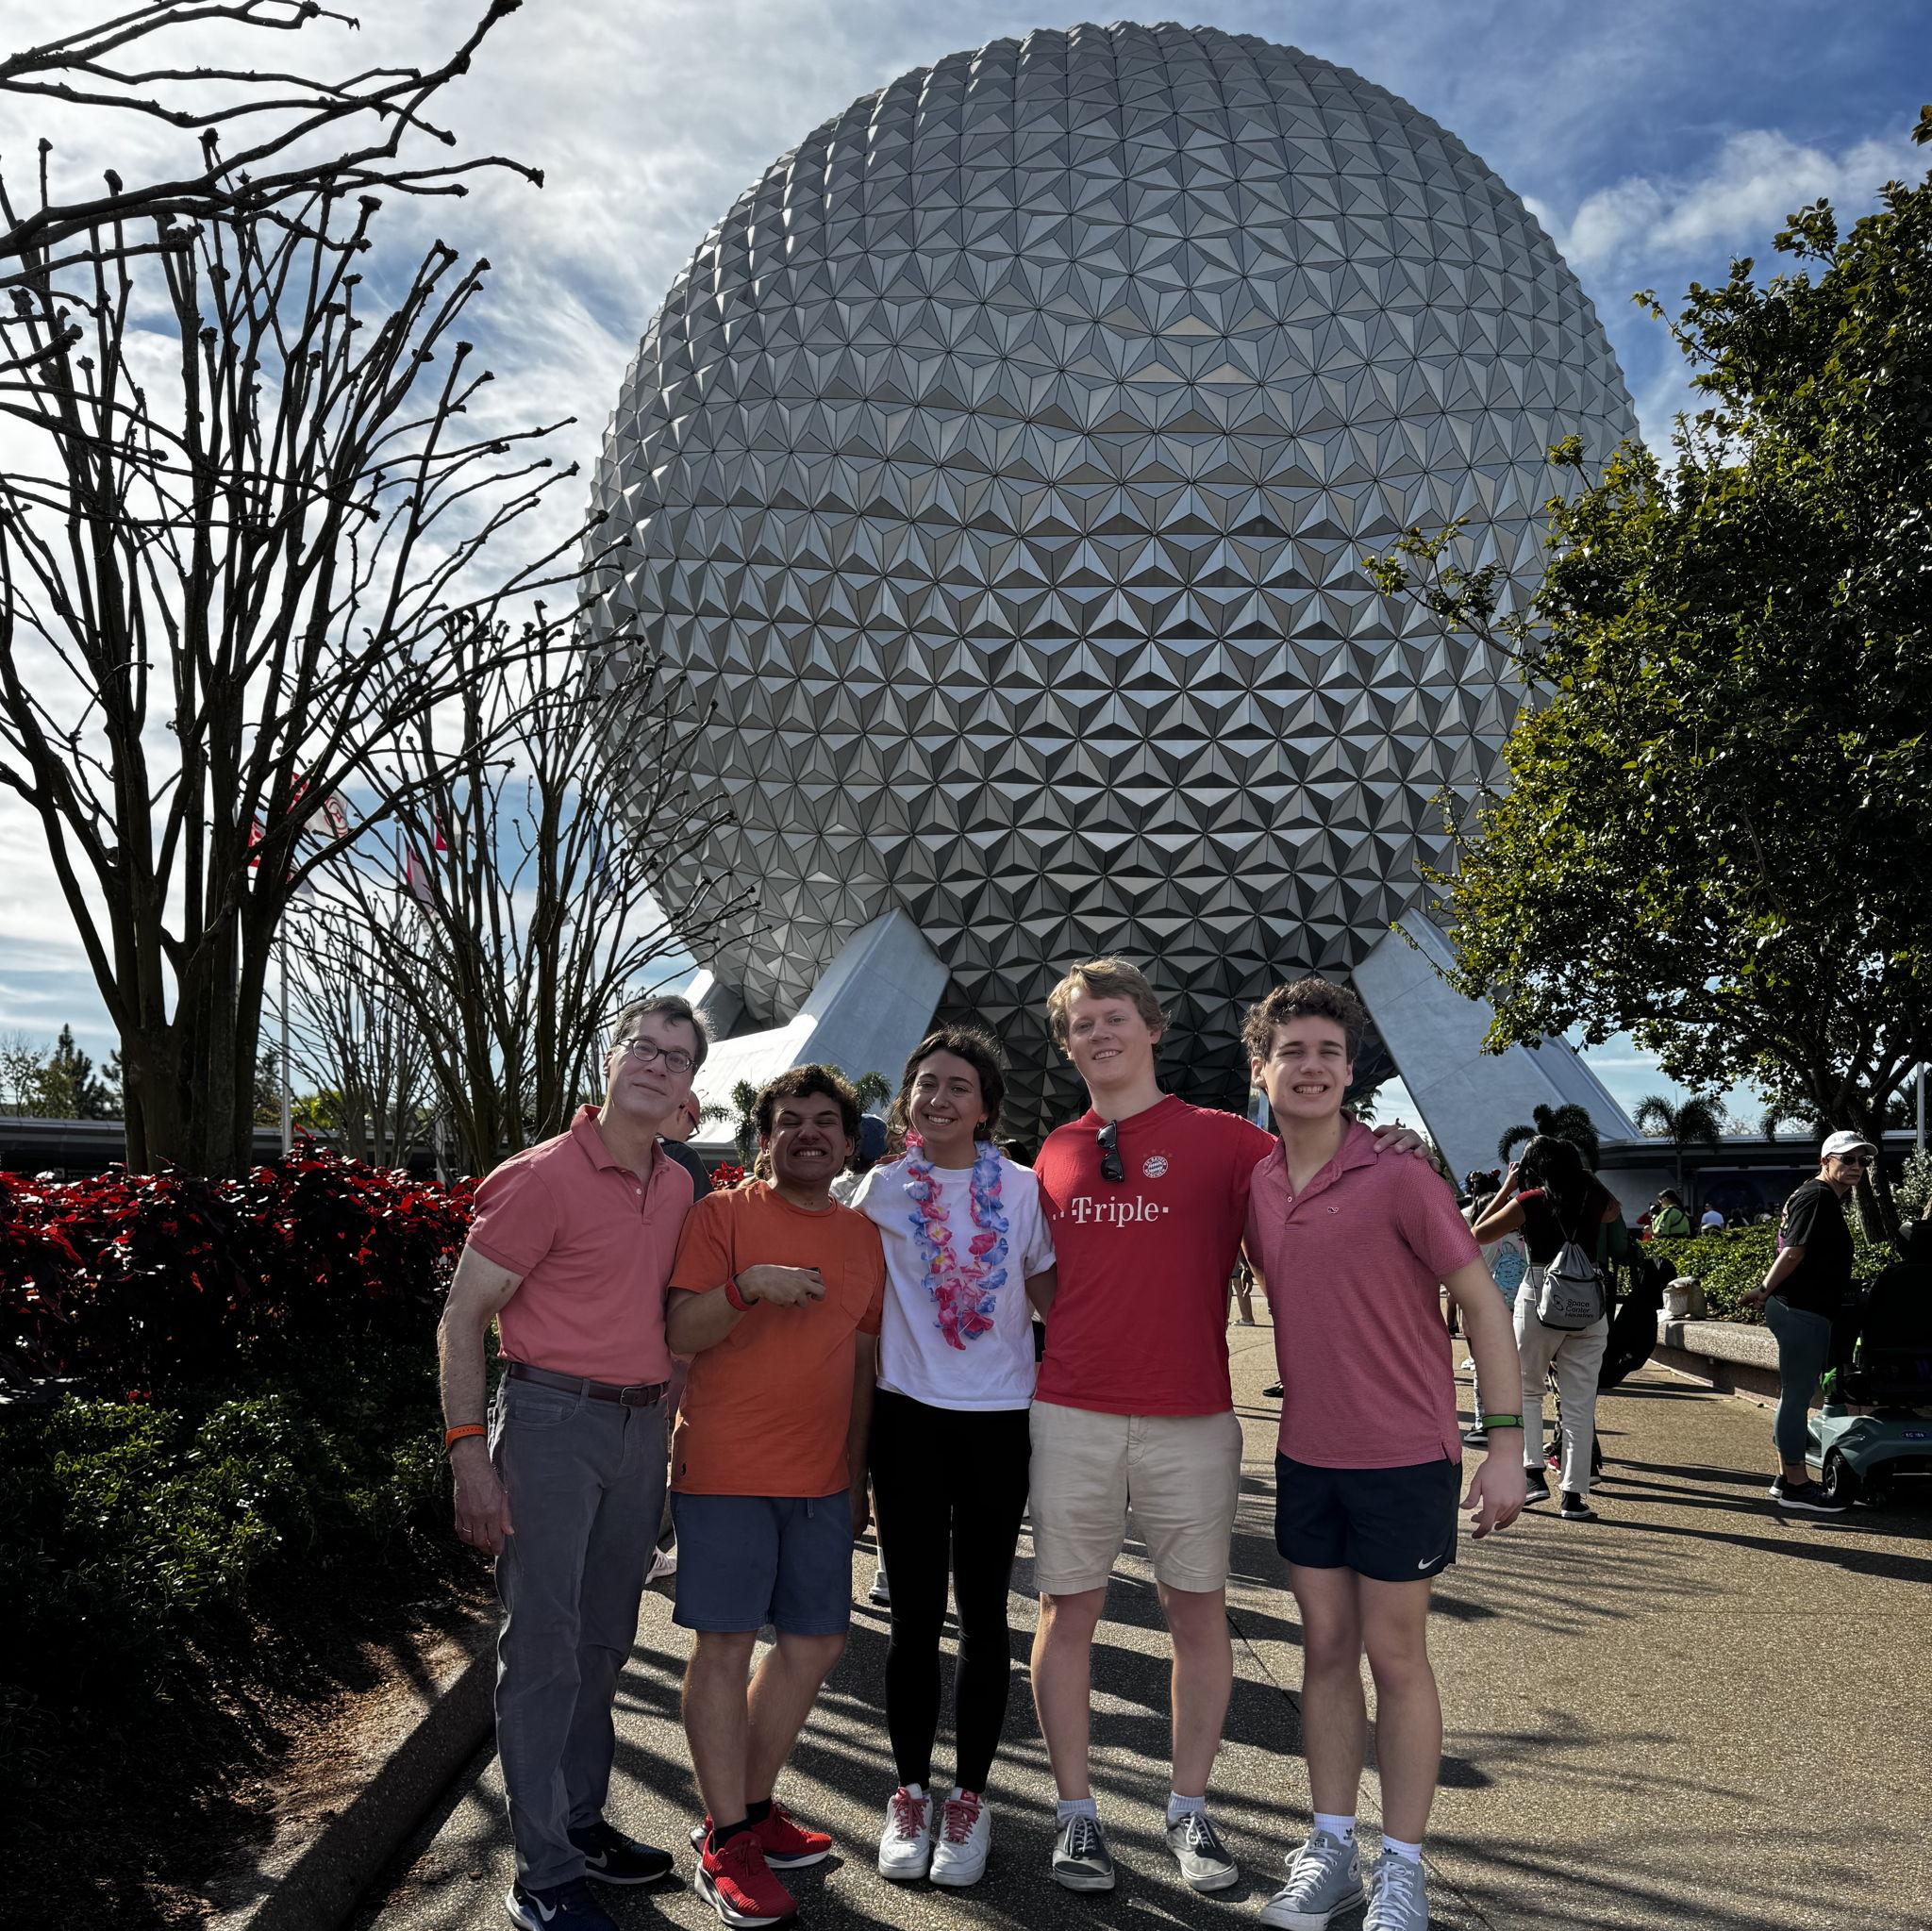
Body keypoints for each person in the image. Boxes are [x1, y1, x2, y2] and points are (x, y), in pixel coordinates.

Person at [1025, 957, 1424, 1897]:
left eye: (1114, 1017)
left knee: (1193, 1609)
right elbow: (1042, 1278)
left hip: (1191, 1416)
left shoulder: (1225, 1145)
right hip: (1071, 1408)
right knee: (1064, 1609)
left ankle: (1188, 1808)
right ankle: (1075, 1814)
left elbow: (1325, 1203)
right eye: (1083, 1025)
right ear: (1068, 1043)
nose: (1100, 1035)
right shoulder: (1052, 1151)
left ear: (1151, 1028)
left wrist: (1393, 1149)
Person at [1243, 979, 1524, 1931]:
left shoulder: (1403, 1175)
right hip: (1306, 1455)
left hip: (1404, 1454)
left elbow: (1482, 1308)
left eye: (1327, 1049)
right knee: (1323, 1648)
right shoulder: (1257, 1182)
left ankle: (1401, 1865)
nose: (1311, 1065)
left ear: (1350, 1069)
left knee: (1393, 1653)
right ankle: (1330, 1849)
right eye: (1292, 1051)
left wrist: (1505, 1446)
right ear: (1262, 1070)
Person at [440, 995, 708, 1931]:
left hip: (636, 1434)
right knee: (545, 1652)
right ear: (609, 1057)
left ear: (686, 1088)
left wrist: (667, 1418)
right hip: (552, 1423)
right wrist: (469, 1454)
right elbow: (462, 1315)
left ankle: (583, 1823)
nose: (655, 1063)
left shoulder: (677, 1183)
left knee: (602, 1642)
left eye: (675, 1057)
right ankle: (543, 1870)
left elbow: (668, 1310)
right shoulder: (540, 1176)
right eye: (642, 1045)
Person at [663, 1066, 888, 1928]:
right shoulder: (719, 1216)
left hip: (822, 1480)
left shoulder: (863, 1235)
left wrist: (858, 1474)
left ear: (847, 1140)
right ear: (764, 1137)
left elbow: (864, 1368)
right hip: (726, 1470)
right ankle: (726, 1838)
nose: (808, 1132)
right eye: (789, 1120)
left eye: (825, 1121)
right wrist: (748, 1284)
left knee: (817, 1643)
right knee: (723, 1644)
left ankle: (747, 1808)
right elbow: (681, 1330)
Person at [851, 1027, 1058, 1888]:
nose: (939, 1098)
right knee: (910, 1621)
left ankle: (968, 1799)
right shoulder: (882, 1189)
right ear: (907, 1098)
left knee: (983, 1617)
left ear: (987, 1106)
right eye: (926, 1083)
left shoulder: (1021, 1188)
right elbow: (849, 1290)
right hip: (907, 1420)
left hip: (998, 1420)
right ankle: (908, 1792)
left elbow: (1053, 1292)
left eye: (958, 1086)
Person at [1472, 1137, 1625, 1523]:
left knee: (1526, 1388)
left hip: (1540, 1294)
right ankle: (1573, 1496)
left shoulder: (1531, 1201)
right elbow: (1614, 1212)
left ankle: (1533, 1474)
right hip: (1587, 1301)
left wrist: (1509, 1186)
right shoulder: (1594, 1198)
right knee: (1580, 1401)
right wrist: (1587, 1177)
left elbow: (1478, 1234)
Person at [1740, 1131, 1873, 1515]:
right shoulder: (1817, 1196)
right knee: (1796, 1396)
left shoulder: (1819, 1196)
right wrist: (1763, 1288)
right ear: (1825, 1160)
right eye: (1847, 1159)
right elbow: (1794, 1252)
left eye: (1862, 1161)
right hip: (1801, 1308)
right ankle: (1796, 1485)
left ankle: (1786, 1478)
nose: (1855, 1167)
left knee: (1795, 1394)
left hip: (1805, 1307)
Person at [1461, 1191, 1528, 1448]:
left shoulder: (1482, 1242)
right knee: (1516, 1369)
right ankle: (1511, 1422)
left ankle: (1483, 1423)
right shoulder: (1523, 1238)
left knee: (1483, 1367)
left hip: (1488, 1310)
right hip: (1519, 1310)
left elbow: (1475, 1232)